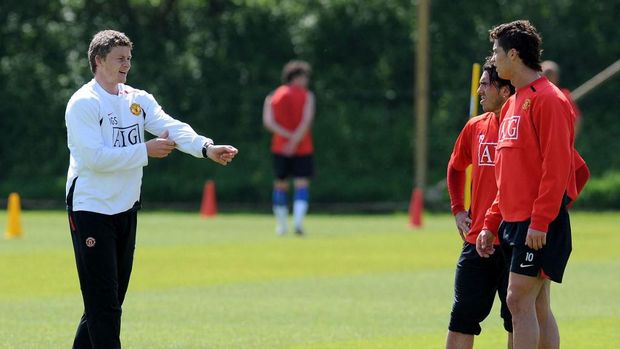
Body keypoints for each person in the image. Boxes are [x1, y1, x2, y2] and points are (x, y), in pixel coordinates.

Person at [65, 30, 238, 348]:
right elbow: (95, 159)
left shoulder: (137, 100)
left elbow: (171, 126)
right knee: (103, 305)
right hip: (90, 210)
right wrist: (145, 151)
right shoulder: (83, 104)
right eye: (119, 58)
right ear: (99, 60)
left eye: (129, 58)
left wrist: (206, 147)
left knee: (107, 301)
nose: (126, 65)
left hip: (125, 208)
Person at [476, 20, 585, 349]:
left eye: (496, 52)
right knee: (536, 306)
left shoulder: (548, 100)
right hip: (514, 222)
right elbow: (506, 175)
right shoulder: (511, 103)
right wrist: (491, 222)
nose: (492, 60)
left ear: (513, 54)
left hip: (538, 224)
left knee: (517, 301)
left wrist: (540, 221)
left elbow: (557, 167)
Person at [445, 61, 515, 349]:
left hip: (514, 239)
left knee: (517, 319)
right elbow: (455, 167)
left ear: (505, 89)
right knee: (462, 317)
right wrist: (459, 209)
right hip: (476, 240)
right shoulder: (475, 127)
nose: (479, 90)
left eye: (486, 84)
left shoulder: (522, 126)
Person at [262, 60, 315, 236]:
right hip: (303, 147)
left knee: (280, 184)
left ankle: (282, 225)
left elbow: (269, 122)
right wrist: (295, 140)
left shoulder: (273, 97)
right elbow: (306, 121)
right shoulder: (307, 96)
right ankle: (298, 223)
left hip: (280, 147)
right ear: (296, 77)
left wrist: (286, 137)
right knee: (301, 183)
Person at [541, 60, 583, 134]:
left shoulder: (563, 95)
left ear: (556, 76)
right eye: (546, 73)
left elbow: (576, 119)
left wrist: (567, 139)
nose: (548, 77)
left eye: (550, 74)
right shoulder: (532, 96)